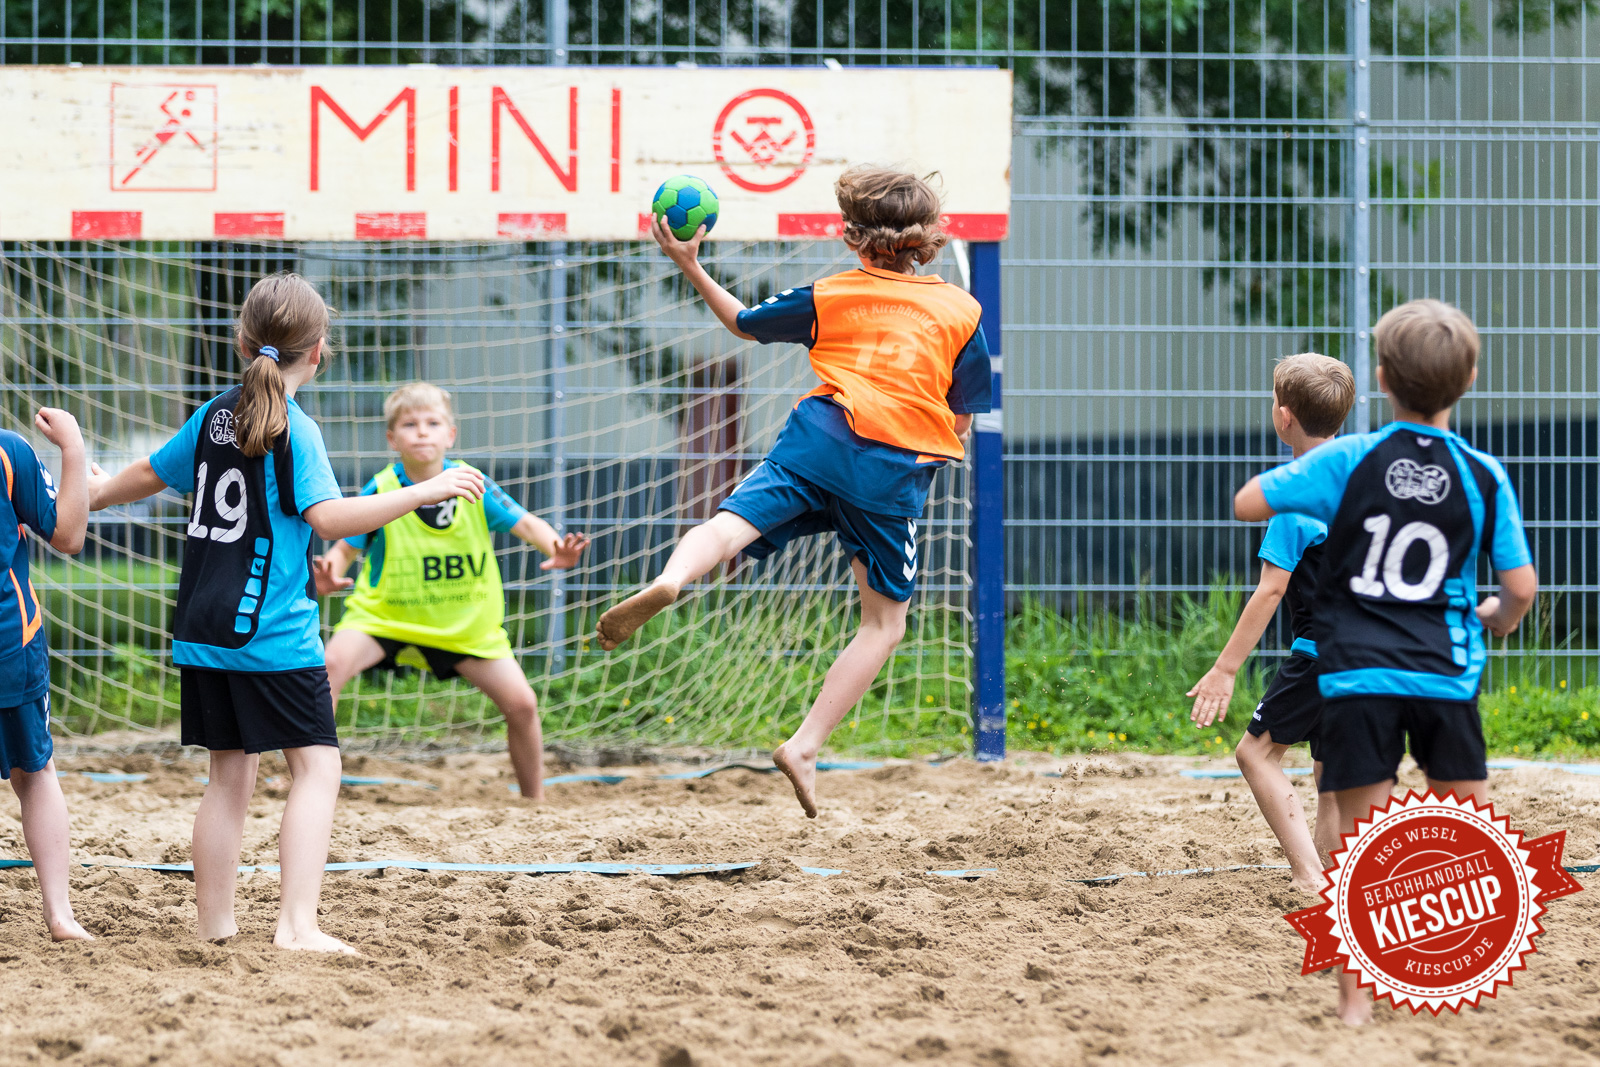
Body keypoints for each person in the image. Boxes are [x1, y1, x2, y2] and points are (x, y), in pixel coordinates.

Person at [87, 273, 484, 953]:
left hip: (204, 627)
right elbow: (328, 516)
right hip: (269, 630)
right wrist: (424, 491)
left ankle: (216, 927)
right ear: (319, 351)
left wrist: (86, 498)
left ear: (244, 341)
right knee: (318, 768)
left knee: (228, 778)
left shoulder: (216, 410)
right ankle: (297, 926)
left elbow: (151, 472)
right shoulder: (294, 427)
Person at [595, 165, 992, 818]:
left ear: (850, 238)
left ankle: (671, 577)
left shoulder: (831, 293)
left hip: (819, 438)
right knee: (884, 624)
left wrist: (690, 264)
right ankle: (805, 745)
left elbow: (743, 323)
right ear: (926, 242)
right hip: (891, 469)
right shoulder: (961, 310)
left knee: (728, 524)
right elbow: (962, 412)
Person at [1233, 299, 1537, 1025]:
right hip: (1446, 673)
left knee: (1363, 845)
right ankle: (1460, 978)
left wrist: (1323, 491)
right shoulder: (1484, 473)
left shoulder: (1347, 459)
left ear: (1380, 377)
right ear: (1467, 378)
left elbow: (1250, 500)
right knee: (1466, 833)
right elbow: (1520, 586)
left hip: (1356, 674)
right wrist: (1495, 618)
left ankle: (1354, 1006)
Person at [312, 382, 588, 801]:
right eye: (410, 424)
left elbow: (527, 523)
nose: (422, 432)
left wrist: (557, 549)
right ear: (392, 438)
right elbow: (348, 542)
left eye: (432, 423)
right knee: (327, 667)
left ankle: (534, 801)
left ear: (450, 435)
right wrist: (330, 573)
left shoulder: (474, 486)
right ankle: (310, 783)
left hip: (464, 627)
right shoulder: (382, 488)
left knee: (523, 705)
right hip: (385, 617)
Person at [1188, 353, 1354, 893]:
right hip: (1371, 653)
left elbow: (1272, 589)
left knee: (1254, 752)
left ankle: (1309, 877)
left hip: (1320, 653)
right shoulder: (1362, 482)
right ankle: (1341, 881)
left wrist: (1224, 669)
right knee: (1331, 779)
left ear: (1283, 417)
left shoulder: (1295, 496)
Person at [0, 408, 91, 942]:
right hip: (10, 644)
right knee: (36, 775)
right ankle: (60, 915)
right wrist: (74, 448)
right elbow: (70, 535)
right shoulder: (9, 451)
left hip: (11, 644)